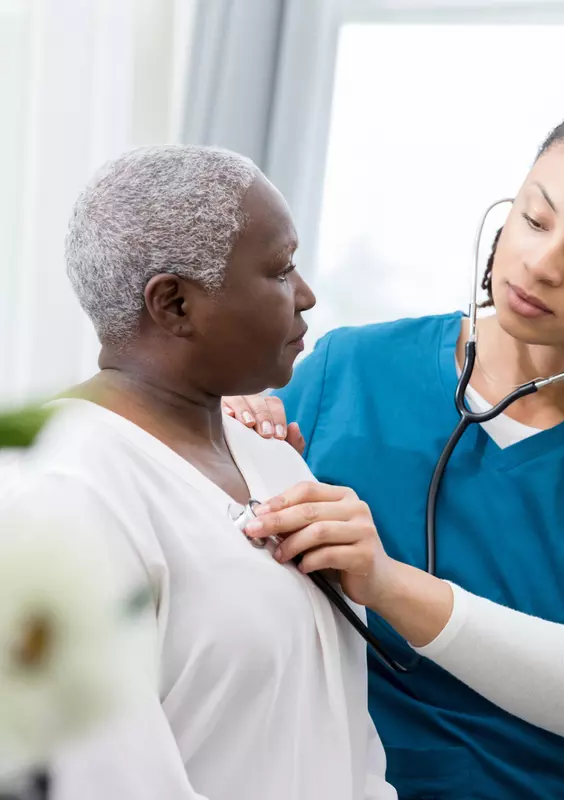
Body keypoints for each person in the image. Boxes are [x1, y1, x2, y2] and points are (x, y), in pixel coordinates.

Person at [223, 80, 564, 799]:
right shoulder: (349, 368)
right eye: (534, 219)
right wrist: (223, 432)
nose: (539, 264)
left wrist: (386, 582)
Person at [1, 145, 396, 800]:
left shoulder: (274, 458)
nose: (306, 295)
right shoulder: (63, 493)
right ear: (175, 305)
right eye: (280, 270)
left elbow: (341, 738)